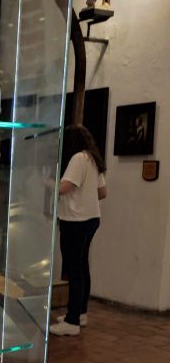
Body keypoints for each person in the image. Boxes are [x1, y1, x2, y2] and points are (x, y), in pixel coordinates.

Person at [49, 125, 107, 336]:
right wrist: (85, 195)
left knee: (74, 270)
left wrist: (46, 182)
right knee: (82, 267)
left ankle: (72, 321)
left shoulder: (77, 159)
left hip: (75, 221)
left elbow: (63, 188)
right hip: (91, 219)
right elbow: (102, 192)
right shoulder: (91, 158)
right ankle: (80, 313)